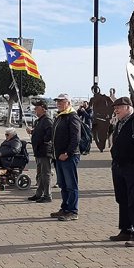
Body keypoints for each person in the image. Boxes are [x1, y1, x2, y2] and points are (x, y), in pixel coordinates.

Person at [108, 97, 134, 246]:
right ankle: (125, 229)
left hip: (131, 168)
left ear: (127, 107)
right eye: (115, 108)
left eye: (118, 107)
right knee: (122, 199)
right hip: (118, 166)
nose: (116, 110)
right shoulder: (120, 122)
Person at [51, 93, 82, 221]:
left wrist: (68, 153)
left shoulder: (72, 116)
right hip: (58, 156)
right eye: (57, 101)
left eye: (61, 101)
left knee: (71, 185)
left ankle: (72, 211)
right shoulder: (60, 116)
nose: (58, 103)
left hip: (69, 156)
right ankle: (65, 208)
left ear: (68, 103)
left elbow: (76, 138)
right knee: (63, 184)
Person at [27, 99, 53, 203]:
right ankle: (39, 193)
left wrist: (43, 141)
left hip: (44, 151)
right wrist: (33, 132)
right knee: (40, 174)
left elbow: (50, 133)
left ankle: (47, 195)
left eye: (36, 108)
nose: (35, 110)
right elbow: (40, 132)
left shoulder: (47, 120)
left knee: (45, 174)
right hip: (38, 151)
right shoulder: (39, 121)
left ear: (43, 108)